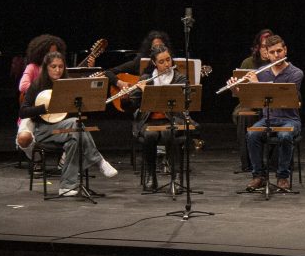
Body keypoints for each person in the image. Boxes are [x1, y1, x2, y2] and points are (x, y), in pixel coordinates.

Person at [19, 51, 118, 196]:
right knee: (74, 124)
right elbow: (23, 112)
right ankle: (99, 161)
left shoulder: (68, 84)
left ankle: (66, 187)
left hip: (66, 129)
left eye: (60, 66)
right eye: (53, 66)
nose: (57, 70)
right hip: (44, 130)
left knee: (74, 139)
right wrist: (44, 107)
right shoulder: (37, 85)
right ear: (47, 67)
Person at [123, 45, 190, 193]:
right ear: (154, 63)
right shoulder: (146, 79)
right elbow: (131, 104)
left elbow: (187, 102)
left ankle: (176, 176)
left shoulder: (180, 78)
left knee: (169, 133)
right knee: (149, 135)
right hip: (149, 121)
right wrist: (126, 96)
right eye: (161, 61)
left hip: (173, 119)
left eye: (168, 59)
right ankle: (150, 175)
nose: (166, 64)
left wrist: (151, 93)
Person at [243, 35, 303, 193]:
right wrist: (238, 88)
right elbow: (251, 99)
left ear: (285, 50)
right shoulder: (261, 73)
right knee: (251, 134)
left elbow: (282, 98)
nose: (277, 55)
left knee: (284, 135)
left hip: (290, 120)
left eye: (279, 51)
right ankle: (259, 176)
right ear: (267, 54)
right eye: (273, 52)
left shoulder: (296, 73)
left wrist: (257, 85)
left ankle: (283, 177)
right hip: (268, 119)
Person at [16, 34, 68, 151]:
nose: (52, 56)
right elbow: (23, 86)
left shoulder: (58, 69)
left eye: (56, 53)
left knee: (76, 131)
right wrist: (42, 93)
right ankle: (37, 159)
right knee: (24, 137)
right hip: (34, 110)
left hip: (54, 113)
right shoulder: (32, 67)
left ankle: (65, 159)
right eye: (49, 53)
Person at [233, 29, 274, 173]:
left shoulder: (277, 62)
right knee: (244, 115)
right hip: (249, 103)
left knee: (276, 115)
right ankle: (248, 163)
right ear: (258, 47)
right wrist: (236, 86)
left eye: (270, 47)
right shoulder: (248, 62)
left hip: (271, 104)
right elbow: (241, 94)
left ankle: (273, 161)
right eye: (263, 46)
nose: (267, 50)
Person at [104, 30, 173, 93]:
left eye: (161, 46)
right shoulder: (139, 62)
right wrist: (120, 83)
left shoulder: (171, 64)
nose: (159, 50)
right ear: (149, 49)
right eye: (155, 47)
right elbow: (107, 72)